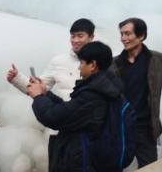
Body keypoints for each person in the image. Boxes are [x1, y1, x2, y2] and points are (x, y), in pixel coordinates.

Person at [27, 41, 122, 172]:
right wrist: (46, 94)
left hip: (84, 162)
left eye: (82, 63)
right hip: (95, 158)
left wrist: (38, 97)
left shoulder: (93, 95)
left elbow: (53, 117)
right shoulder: (105, 87)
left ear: (93, 65)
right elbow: (71, 111)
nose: (79, 68)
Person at [112, 17, 162, 168]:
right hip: (121, 127)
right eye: (122, 34)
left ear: (141, 36)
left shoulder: (156, 59)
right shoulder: (114, 63)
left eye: (128, 34)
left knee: (150, 168)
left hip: (146, 128)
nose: (123, 38)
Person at [7, 18, 95, 101]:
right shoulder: (58, 62)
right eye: (73, 36)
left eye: (80, 36)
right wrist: (17, 79)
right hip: (64, 114)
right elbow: (39, 88)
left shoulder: (100, 62)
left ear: (91, 37)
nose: (75, 40)